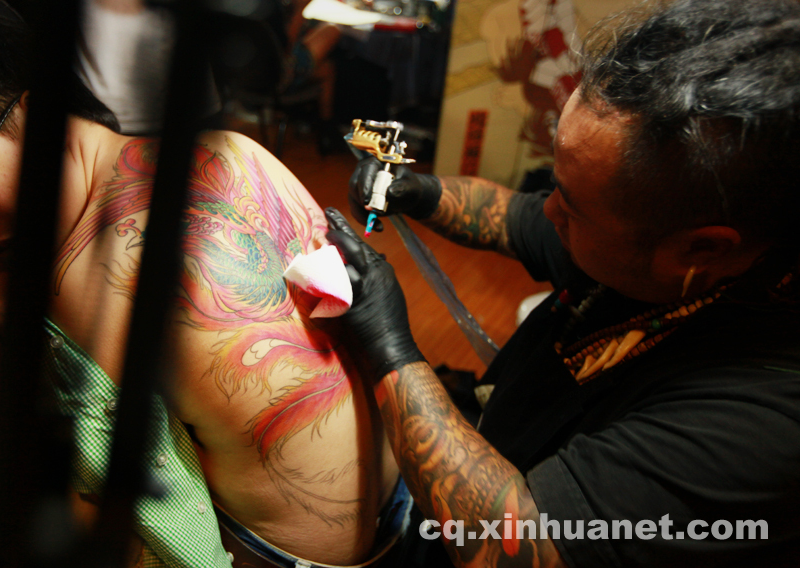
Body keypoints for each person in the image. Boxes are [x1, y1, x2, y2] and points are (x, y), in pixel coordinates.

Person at [0, 8, 406, 568]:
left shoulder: (77, 284)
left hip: (281, 558)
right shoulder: (233, 148)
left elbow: (137, 523)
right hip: (400, 507)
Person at [331, 0, 800, 566]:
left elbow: (517, 547)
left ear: (699, 250)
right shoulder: (653, 242)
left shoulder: (758, 427)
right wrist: (419, 192)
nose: (550, 210)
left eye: (572, 209)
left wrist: (389, 349)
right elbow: (515, 217)